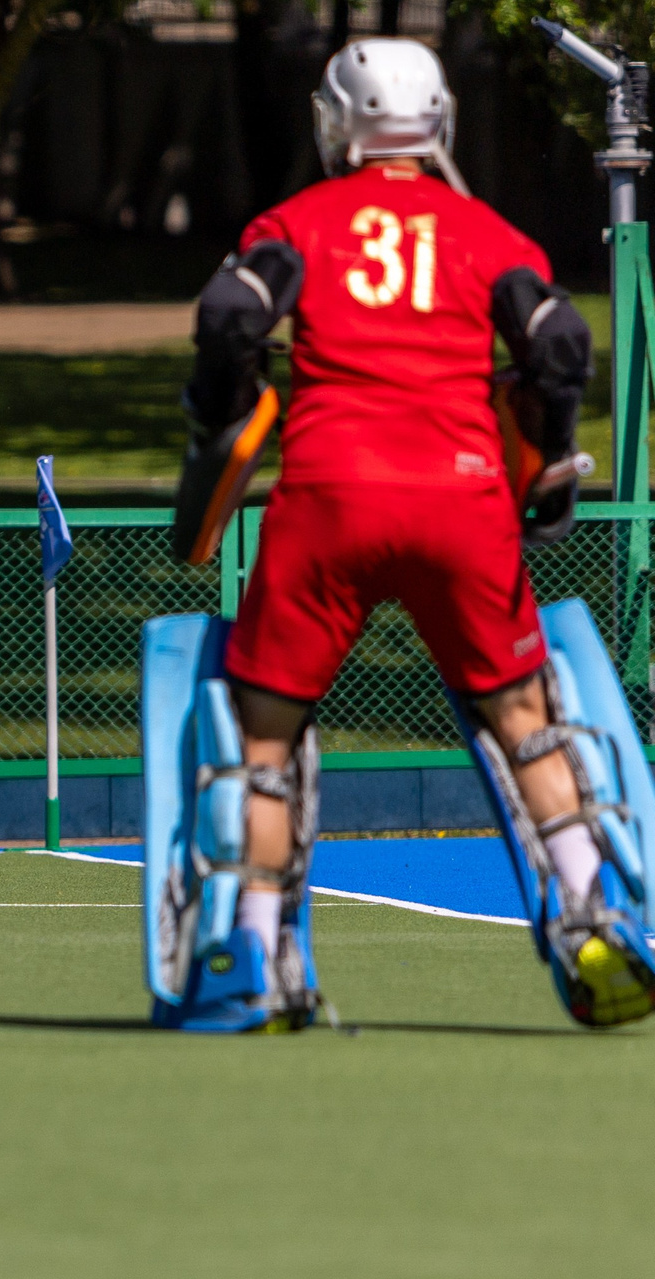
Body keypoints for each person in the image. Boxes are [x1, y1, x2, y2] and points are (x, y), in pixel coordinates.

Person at [154, 37, 652, 1031]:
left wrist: (224, 413)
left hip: (328, 499)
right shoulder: (483, 233)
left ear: (337, 123)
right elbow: (559, 341)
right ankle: (592, 912)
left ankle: (253, 952)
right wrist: (550, 450)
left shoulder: (295, 224)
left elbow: (228, 315)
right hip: (459, 501)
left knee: (264, 740)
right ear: (439, 123)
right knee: (524, 716)